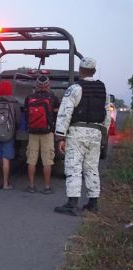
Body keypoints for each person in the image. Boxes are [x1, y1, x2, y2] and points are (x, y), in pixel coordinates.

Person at [54, 57, 110, 216]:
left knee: (73, 167)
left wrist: (60, 136)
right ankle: (93, 203)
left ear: (80, 70)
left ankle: (72, 204)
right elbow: (106, 116)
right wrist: (103, 135)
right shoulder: (103, 89)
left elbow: (65, 113)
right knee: (92, 167)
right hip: (96, 133)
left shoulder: (75, 88)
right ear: (94, 71)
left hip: (77, 133)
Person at [24, 75, 60, 194]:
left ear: (36, 86)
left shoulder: (29, 98)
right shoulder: (52, 97)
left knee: (31, 160)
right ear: (48, 85)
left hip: (33, 132)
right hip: (47, 132)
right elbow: (57, 113)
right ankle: (47, 187)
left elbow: (26, 114)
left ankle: (31, 186)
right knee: (47, 161)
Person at [0, 80, 21, 190]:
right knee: (6, 159)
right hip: (8, 134)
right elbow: (18, 120)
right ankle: (6, 184)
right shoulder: (14, 103)